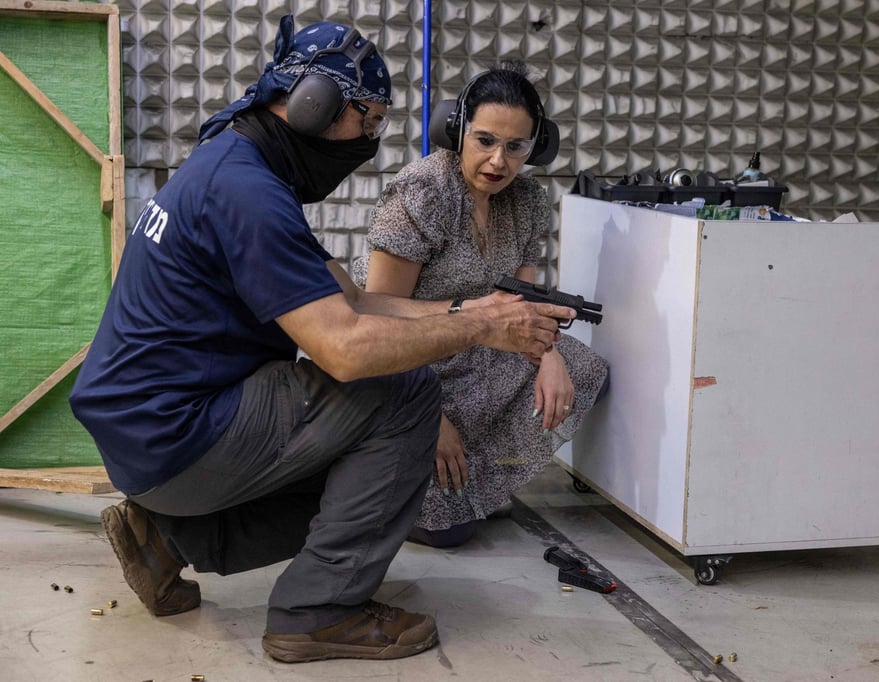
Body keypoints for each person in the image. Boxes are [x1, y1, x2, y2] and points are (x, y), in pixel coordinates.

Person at [68, 17, 575, 664]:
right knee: (403, 397)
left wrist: (473, 307)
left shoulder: (235, 162)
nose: (367, 141)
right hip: (175, 433)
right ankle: (319, 610)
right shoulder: (247, 192)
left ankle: (163, 539)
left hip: (148, 427)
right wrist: (479, 327)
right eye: (363, 122)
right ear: (313, 105)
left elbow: (355, 298)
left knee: (371, 472)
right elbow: (345, 346)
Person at [351, 62, 610, 548]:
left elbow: (524, 304)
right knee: (448, 534)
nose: (498, 161)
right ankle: (394, 480)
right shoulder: (422, 193)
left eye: (516, 147)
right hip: (403, 363)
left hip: (472, 353)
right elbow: (377, 315)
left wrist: (550, 356)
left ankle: (471, 479)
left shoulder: (528, 201)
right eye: (485, 140)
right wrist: (431, 419)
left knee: (581, 366)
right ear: (458, 130)